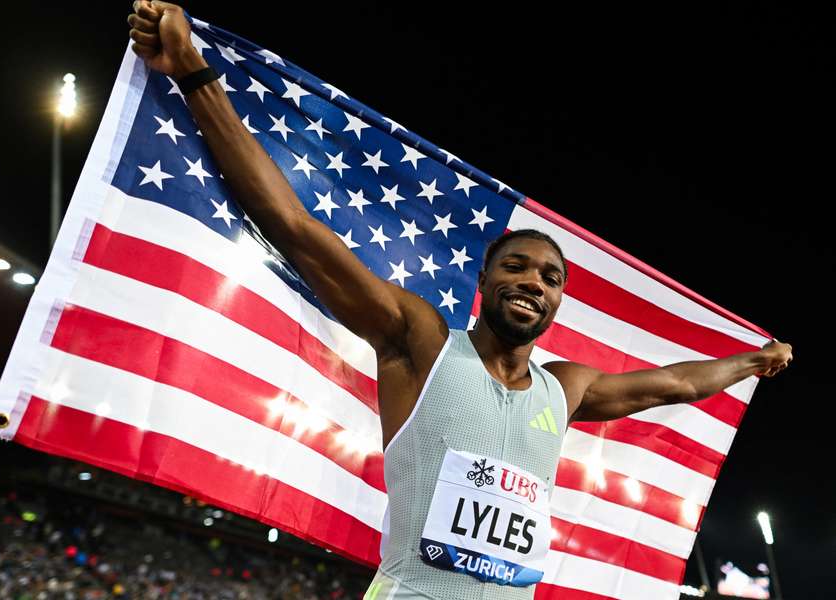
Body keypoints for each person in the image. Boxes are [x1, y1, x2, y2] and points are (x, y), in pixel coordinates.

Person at [127, 3, 794, 598]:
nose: (535, 281)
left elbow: (675, 383)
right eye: (518, 267)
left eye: (551, 278)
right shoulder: (418, 341)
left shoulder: (566, 389)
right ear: (484, 281)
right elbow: (297, 229)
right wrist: (193, 73)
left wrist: (750, 362)